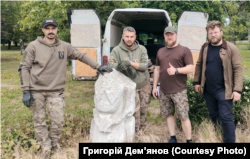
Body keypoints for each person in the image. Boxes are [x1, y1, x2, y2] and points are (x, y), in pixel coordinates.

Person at [18, 18, 112, 159]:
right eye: (47, 28)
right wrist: (25, 90)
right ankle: (45, 146)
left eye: (53, 28)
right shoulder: (33, 46)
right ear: (43, 30)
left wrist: (98, 67)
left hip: (55, 91)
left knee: (58, 121)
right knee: (39, 121)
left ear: (56, 29)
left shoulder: (64, 46)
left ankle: (54, 145)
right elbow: (24, 68)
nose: (50, 31)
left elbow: (81, 55)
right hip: (36, 91)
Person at [193, 20, 243, 143]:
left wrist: (237, 90)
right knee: (214, 116)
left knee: (226, 117)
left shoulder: (231, 48)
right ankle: (219, 137)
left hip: (224, 90)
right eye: (210, 33)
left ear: (221, 32)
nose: (213, 35)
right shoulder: (205, 47)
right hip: (209, 90)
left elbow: (238, 69)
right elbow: (199, 65)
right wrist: (196, 82)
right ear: (207, 34)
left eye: (215, 32)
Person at [152, 26, 194, 143]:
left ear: (176, 35)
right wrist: (155, 87)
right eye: (167, 34)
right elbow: (157, 69)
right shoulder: (160, 51)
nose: (169, 37)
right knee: (168, 114)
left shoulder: (184, 50)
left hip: (179, 90)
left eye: (171, 34)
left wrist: (176, 70)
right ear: (164, 36)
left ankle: (188, 140)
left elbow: (190, 68)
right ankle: (173, 137)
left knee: (184, 117)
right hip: (164, 90)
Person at [108, 26, 151, 132]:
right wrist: (120, 65)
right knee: (134, 110)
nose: (129, 39)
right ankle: (135, 131)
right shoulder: (116, 50)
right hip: (129, 85)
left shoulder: (142, 49)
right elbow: (110, 65)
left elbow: (144, 66)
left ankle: (143, 130)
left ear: (135, 37)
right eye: (127, 36)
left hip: (144, 83)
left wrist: (130, 63)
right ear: (122, 36)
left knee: (144, 108)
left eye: (131, 36)